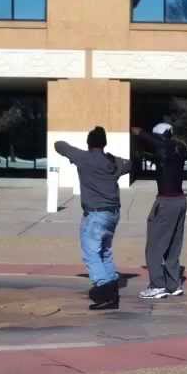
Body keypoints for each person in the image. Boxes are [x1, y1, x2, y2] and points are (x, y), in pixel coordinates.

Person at [55, 127, 131, 310]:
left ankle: (104, 291)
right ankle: (112, 287)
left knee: (91, 253)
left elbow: (59, 145)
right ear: (104, 143)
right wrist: (113, 160)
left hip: (96, 214)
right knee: (105, 251)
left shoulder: (83, 158)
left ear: (89, 143)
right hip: (113, 213)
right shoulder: (113, 162)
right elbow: (129, 165)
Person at [131, 122, 187, 299]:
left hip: (166, 203)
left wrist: (136, 130)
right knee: (173, 245)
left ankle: (157, 285)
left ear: (159, 136)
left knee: (154, 247)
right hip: (180, 201)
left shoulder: (163, 147)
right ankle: (173, 284)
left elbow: (141, 132)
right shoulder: (179, 149)